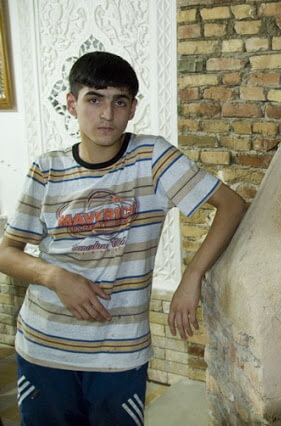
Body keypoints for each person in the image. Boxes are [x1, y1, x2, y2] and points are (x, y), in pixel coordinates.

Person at [0, 51, 247, 425]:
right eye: (94, 100)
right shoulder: (47, 168)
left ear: (132, 109)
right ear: (72, 104)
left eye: (119, 102)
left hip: (118, 356)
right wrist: (56, 277)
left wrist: (192, 276)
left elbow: (231, 206)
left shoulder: (152, 157)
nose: (106, 114)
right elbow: (7, 253)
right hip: (43, 349)